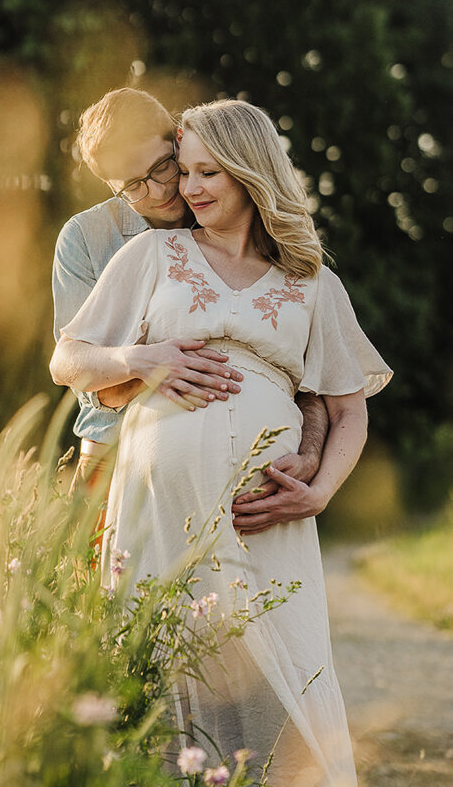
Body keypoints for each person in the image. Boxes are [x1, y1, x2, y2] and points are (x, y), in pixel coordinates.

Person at [50, 99, 391, 787]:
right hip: (154, 498)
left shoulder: (308, 281)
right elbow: (67, 359)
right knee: (168, 653)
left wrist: (322, 488)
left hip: (265, 515)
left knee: (281, 663)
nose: (188, 188)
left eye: (203, 171)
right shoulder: (147, 258)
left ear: (247, 170)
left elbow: (346, 410)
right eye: (185, 171)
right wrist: (138, 361)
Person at [52, 88, 328, 514]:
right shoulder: (86, 238)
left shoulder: (258, 234)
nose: (159, 191)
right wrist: (142, 362)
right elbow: (76, 370)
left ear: (178, 139)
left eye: (163, 167)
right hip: (112, 454)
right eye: (131, 186)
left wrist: (310, 455)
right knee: (96, 580)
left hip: (240, 476)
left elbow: (308, 378)